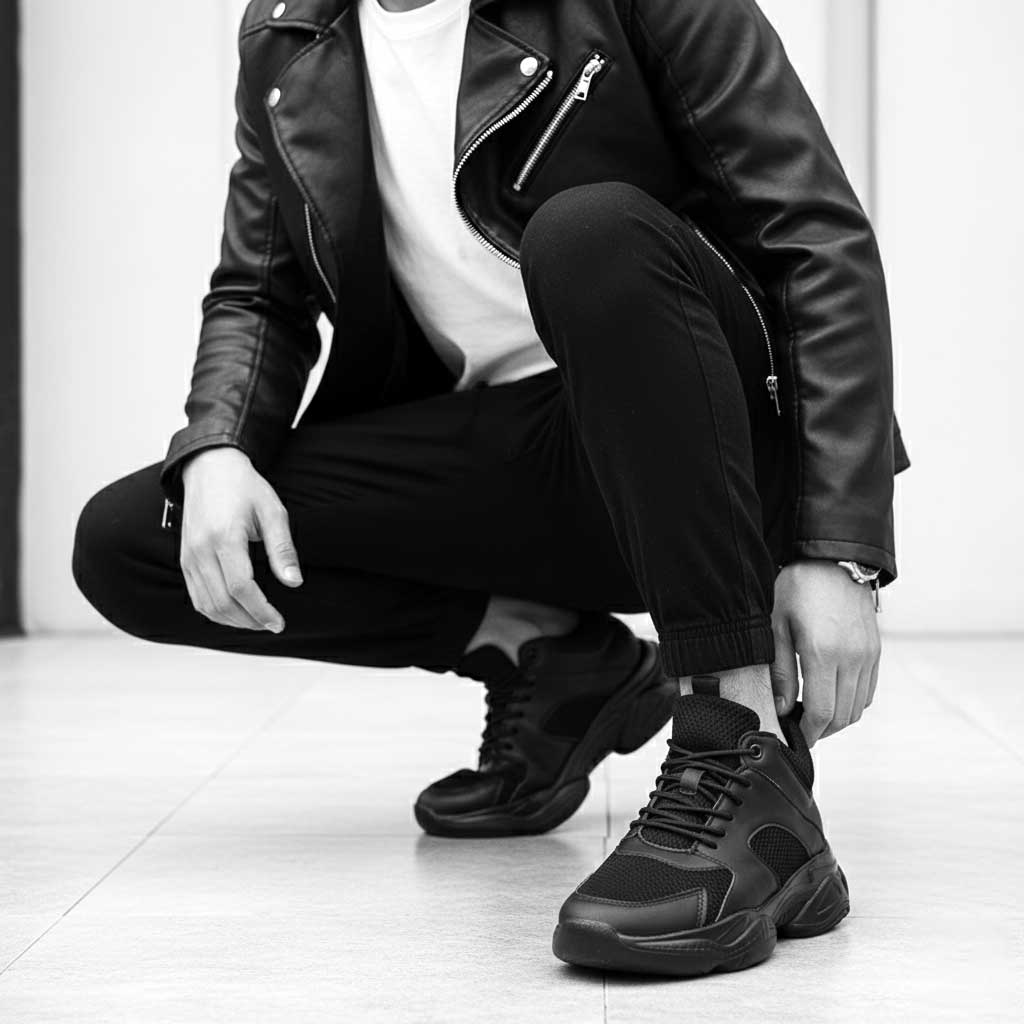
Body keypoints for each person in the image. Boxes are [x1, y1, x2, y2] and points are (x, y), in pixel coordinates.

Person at [71, 0, 910, 976]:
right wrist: (217, 447)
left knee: (588, 229)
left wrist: (837, 545)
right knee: (139, 537)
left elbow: (813, 237)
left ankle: (739, 752)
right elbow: (259, 287)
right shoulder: (289, 32)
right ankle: (549, 658)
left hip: (702, 435)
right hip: (506, 449)